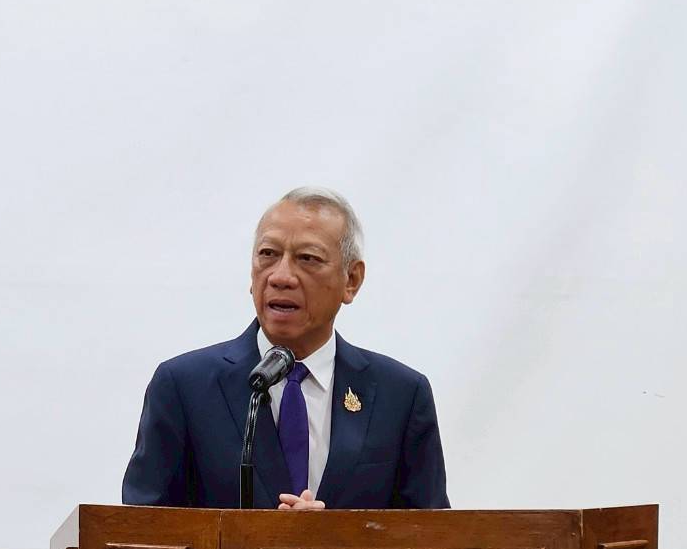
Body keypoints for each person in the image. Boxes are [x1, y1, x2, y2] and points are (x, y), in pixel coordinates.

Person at [122, 187, 449, 510]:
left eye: (308, 259)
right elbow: (143, 529)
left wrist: (333, 535)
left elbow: (433, 535)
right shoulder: (184, 387)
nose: (281, 277)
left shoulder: (401, 395)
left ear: (351, 279)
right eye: (268, 254)